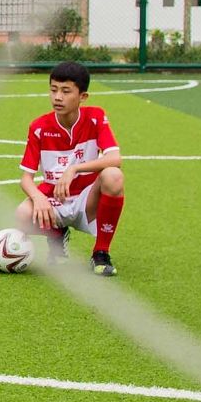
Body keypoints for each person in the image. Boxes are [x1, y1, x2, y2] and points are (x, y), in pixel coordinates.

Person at [18, 61, 127, 276]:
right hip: (54, 200)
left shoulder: (95, 117)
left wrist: (74, 169)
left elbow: (115, 158)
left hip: (87, 200)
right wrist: (38, 197)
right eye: (53, 90)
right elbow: (26, 178)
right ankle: (57, 235)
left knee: (113, 176)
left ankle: (101, 253)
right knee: (21, 214)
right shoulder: (39, 127)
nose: (58, 97)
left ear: (82, 97)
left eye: (66, 91)